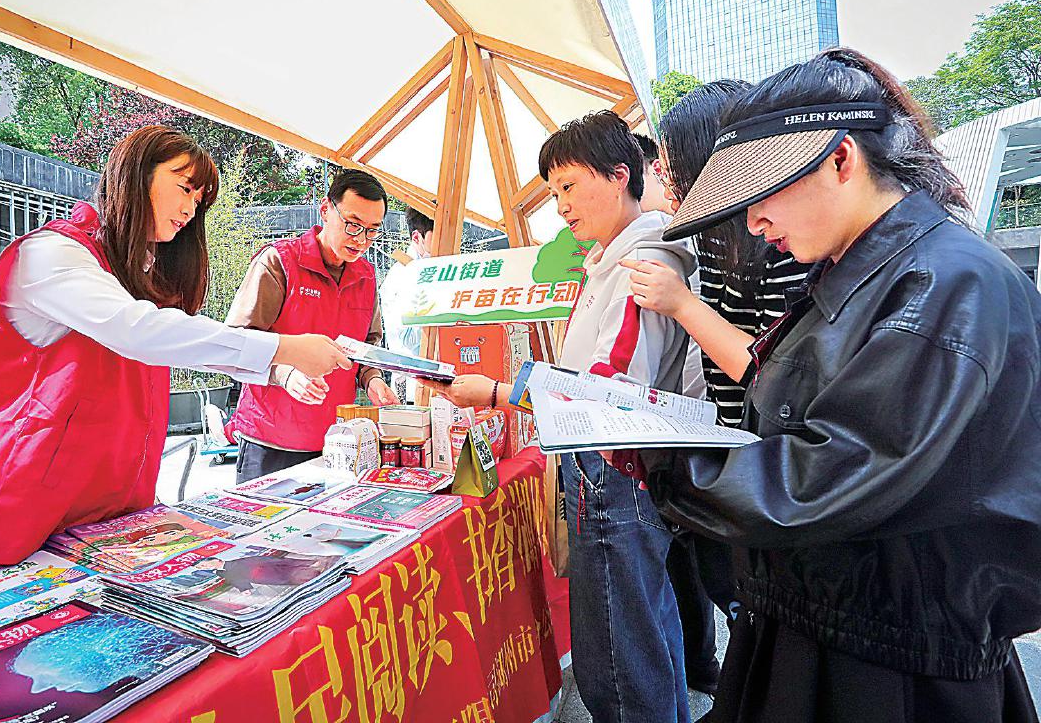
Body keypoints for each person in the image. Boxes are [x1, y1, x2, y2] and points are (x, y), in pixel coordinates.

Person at [641, 47, 1041, 722]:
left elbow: (828, 474)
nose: (754, 223)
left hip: (888, 665)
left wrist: (664, 459)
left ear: (841, 159)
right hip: (832, 621)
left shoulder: (942, 282)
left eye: (763, 193)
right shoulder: (867, 268)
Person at [0, 125, 350, 569]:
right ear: (136, 174)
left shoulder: (135, 271)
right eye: (185, 188)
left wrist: (277, 365)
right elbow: (139, 332)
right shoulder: (52, 254)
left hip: (107, 520)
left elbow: (175, 342)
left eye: (199, 200)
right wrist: (282, 348)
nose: (190, 209)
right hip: (25, 521)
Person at [426, 111, 697, 723]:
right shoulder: (615, 257)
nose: (562, 207)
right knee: (642, 634)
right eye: (554, 193)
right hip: (611, 471)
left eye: (570, 186)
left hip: (614, 472)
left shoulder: (641, 261)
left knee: (618, 658)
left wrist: (500, 392)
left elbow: (608, 393)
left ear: (620, 175)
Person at [636, 82, 816, 697]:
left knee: (762, 618)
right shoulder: (714, 238)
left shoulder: (784, 245)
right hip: (731, 446)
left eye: (671, 164)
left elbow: (774, 373)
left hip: (773, 467)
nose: (663, 177)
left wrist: (681, 304)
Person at [224, 168, 400, 480]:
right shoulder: (279, 262)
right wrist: (285, 374)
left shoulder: (366, 276)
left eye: (372, 230)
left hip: (337, 442)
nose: (361, 240)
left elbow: (366, 346)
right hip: (269, 441)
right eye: (352, 225)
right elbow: (238, 342)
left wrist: (373, 379)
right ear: (326, 210)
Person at [379, 207, 435, 401]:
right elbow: (407, 339)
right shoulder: (401, 276)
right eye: (437, 239)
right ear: (417, 237)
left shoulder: (432, 271)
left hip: (439, 388)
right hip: (414, 391)